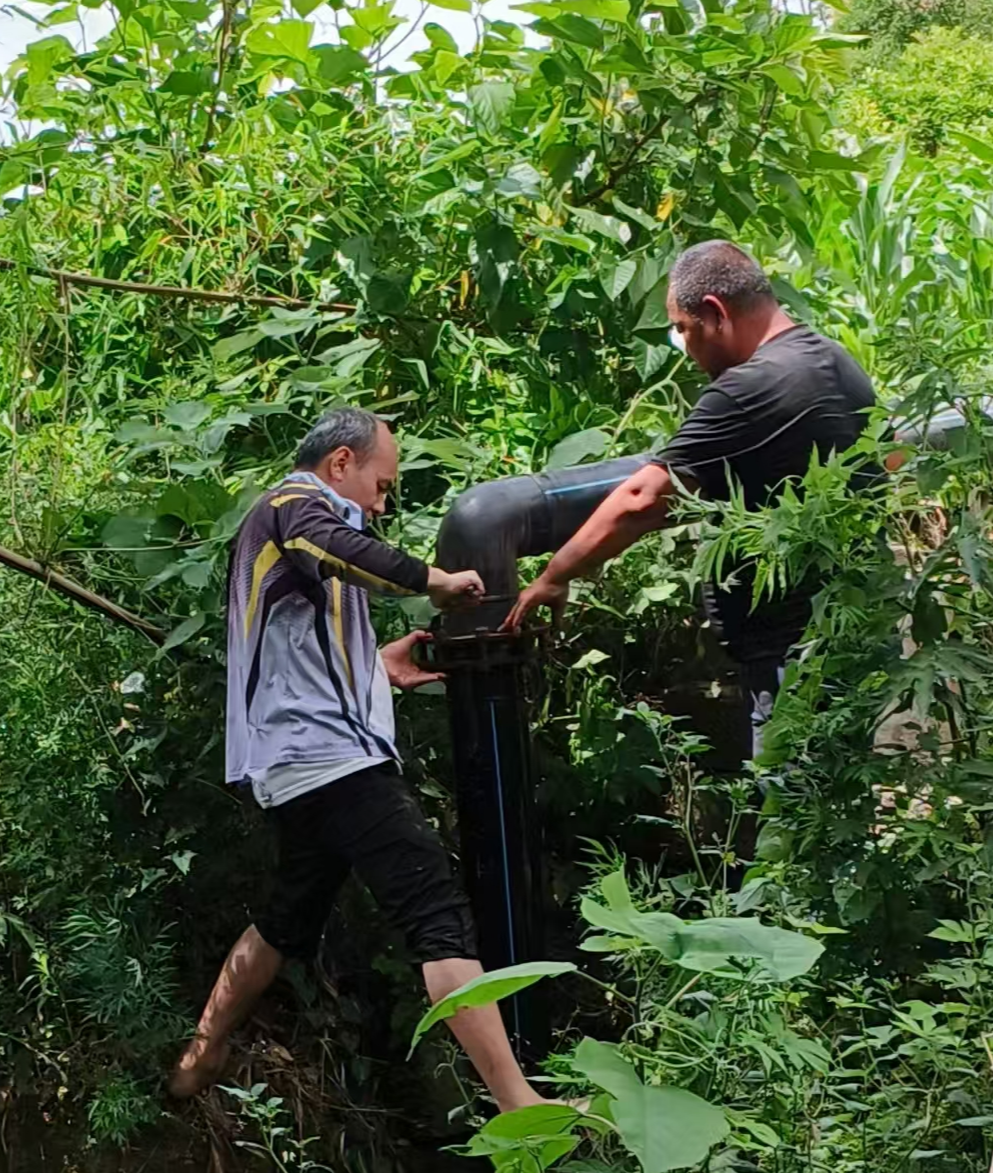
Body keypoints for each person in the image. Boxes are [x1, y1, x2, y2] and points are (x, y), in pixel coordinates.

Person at [170, 407, 546, 1113]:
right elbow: (349, 551)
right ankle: (519, 1102)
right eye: (381, 484)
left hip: (298, 765)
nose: (381, 503)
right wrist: (434, 580)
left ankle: (203, 1050)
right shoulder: (292, 506)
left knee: (286, 920)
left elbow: (296, 651)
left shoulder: (295, 535)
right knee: (436, 914)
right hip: (332, 762)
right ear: (340, 462)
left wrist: (377, 667)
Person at [504, 240, 878, 755]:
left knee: (791, 794)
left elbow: (642, 499)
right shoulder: (837, 361)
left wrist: (554, 575)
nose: (683, 344)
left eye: (682, 328)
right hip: (855, 632)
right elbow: (889, 464)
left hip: (791, 654)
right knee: (838, 790)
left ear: (715, 313)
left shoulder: (747, 389)